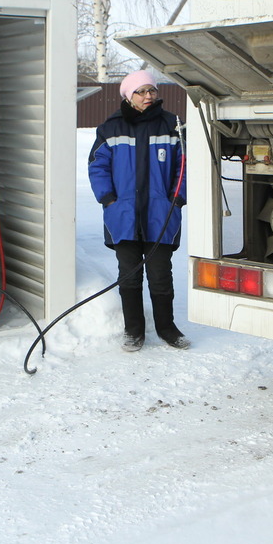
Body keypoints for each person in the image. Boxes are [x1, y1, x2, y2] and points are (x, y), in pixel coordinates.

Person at [88, 71, 190, 351]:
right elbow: (98, 166)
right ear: (128, 96)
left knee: (160, 276)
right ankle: (133, 331)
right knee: (129, 277)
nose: (148, 96)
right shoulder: (111, 128)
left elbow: (185, 165)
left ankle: (167, 330)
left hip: (161, 214)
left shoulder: (172, 126)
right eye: (141, 92)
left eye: (152, 91)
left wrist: (176, 199)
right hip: (123, 215)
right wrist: (108, 198)